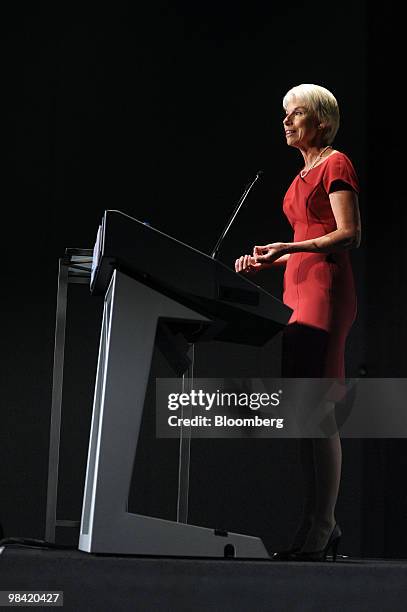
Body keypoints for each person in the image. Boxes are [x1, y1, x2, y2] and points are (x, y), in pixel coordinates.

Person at [235, 83, 361, 561]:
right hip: (298, 290)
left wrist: (290, 248)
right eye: (284, 114)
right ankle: (317, 523)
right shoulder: (298, 177)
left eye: (296, 114)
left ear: (322, 122)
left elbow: (349, 234)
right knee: (302, 417)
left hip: (326, 291)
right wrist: (273, 259)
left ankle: (323, 526)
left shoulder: (335, 163)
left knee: (320, 412)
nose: (286, 122)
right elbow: (305, 237)